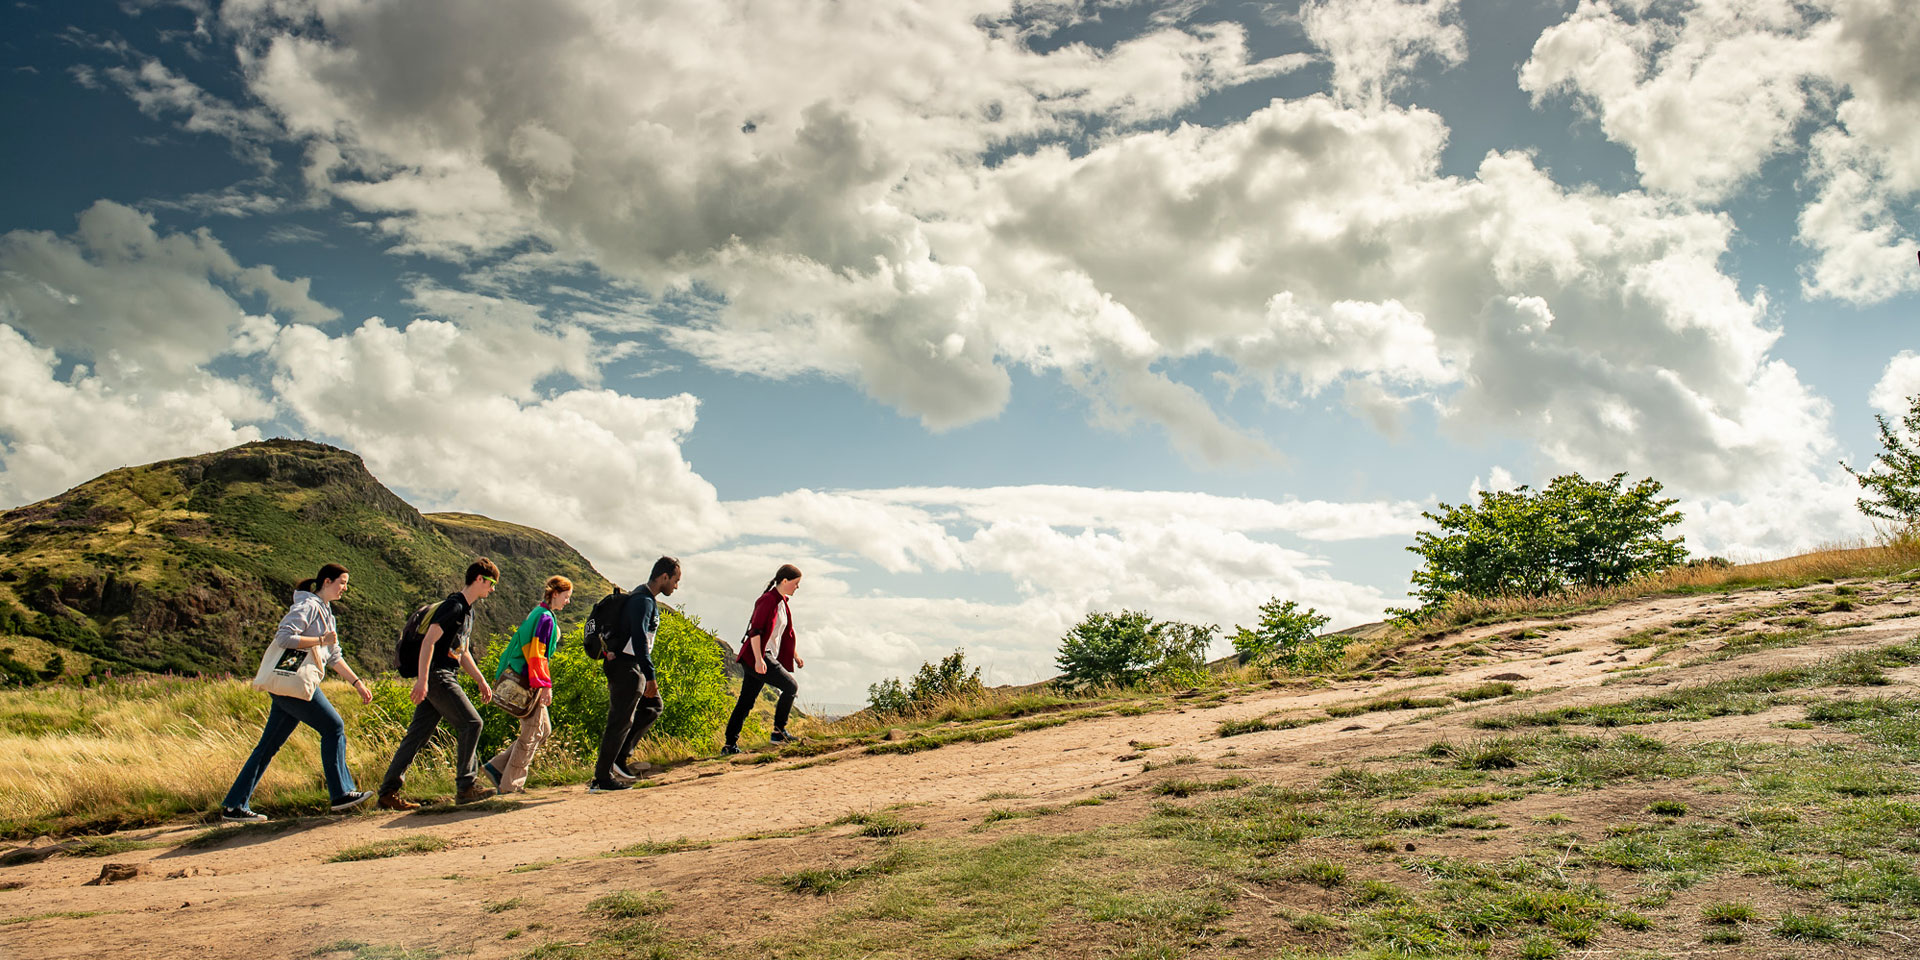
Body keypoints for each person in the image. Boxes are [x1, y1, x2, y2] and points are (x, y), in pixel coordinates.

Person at [220, 563, 374, 822]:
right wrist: (320, 641)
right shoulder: (309, 606)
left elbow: (334, 656)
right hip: (295, 685)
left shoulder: (326, 612)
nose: (345, 588)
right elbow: (284, 637)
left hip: (287, 685)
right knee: (334, 727)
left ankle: (234, 806)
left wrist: (357, 683)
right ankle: (341, 794)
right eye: (342, 583)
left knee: (267, 746)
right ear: (327, 581)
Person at [377, 558, 499, 810]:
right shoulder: (454, 607)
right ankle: (466, 786)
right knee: (472, 723)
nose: (492, 589)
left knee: (417, 736)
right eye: (491, 583)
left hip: (442, 674)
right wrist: (423, 681)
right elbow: (429, 642)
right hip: (438, 675)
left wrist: (481, 680)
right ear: (479, 579)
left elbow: (462, 651)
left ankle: (388, 794)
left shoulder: (468, 611)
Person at [590, 556, 681, 793]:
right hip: (626, 667)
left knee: (652, 706)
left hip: (631, 666)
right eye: (675, 580)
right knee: (619, 721)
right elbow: (640, 639)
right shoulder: (643, 601)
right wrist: (650, 675)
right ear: (664, 577)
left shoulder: (644, 599)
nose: (676, 586)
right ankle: (602, 778)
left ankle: (619, 759)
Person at [483, 575, 572, 794]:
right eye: (566, 596)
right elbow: (537, 654)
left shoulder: (538, 613)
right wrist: (544, 685)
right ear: (555, 594)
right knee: (531, 734)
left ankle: (497, 767)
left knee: (544, 730)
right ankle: (511, 786)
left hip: (524, 677)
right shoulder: (546, 618)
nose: (568, 601)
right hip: (529, 681)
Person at [721, 564, 805, 756]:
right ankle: (778, 732)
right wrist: (759, 660)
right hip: (757, 656)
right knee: (791, 687)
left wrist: (795, 655)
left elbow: (785, 634)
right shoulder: (767, 600)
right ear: (784, 581)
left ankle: (729, 745)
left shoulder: (782, 602)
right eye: (796, 583)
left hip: (764, 656)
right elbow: (755, 631)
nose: (797, 587)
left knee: (746, 702)